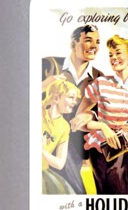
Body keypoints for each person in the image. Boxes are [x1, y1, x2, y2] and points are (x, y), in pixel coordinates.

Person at [74, 35, 128, 195]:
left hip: (120, 143)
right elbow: (78, 120)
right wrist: (102, 126)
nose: (113, 58)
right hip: (100, 147)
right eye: (110, 54)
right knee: (117, 190)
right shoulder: (100, 83)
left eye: (117, 53)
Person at [41, 24, 102, 193]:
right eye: (88, 40)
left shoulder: (99, 77)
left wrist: (90, 115)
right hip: (45, 137)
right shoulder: (49, 65)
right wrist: (42, 86)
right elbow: (19, 97)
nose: (94, 46)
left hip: (74, 145)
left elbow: (103, 111)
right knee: (73, 189)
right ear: (73, 44)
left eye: (98, 42)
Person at [41, 77, 81, 194]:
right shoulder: (37, 111)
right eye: (70, 97)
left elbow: (60, 163)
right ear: (56, 98)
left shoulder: (64, 127)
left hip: (43, 171)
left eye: (76, 99)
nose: (75, 102)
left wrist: (42, 152)